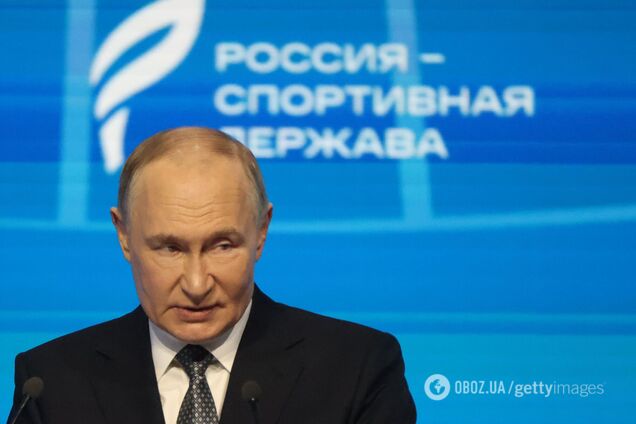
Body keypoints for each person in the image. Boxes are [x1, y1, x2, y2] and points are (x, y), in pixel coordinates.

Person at [7, 127, 416, 424]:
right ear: (124, 235)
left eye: (222, 246)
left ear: (261, 231)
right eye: (169, 248)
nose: (197, 284)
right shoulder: (49, 382)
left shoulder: (355, 369)